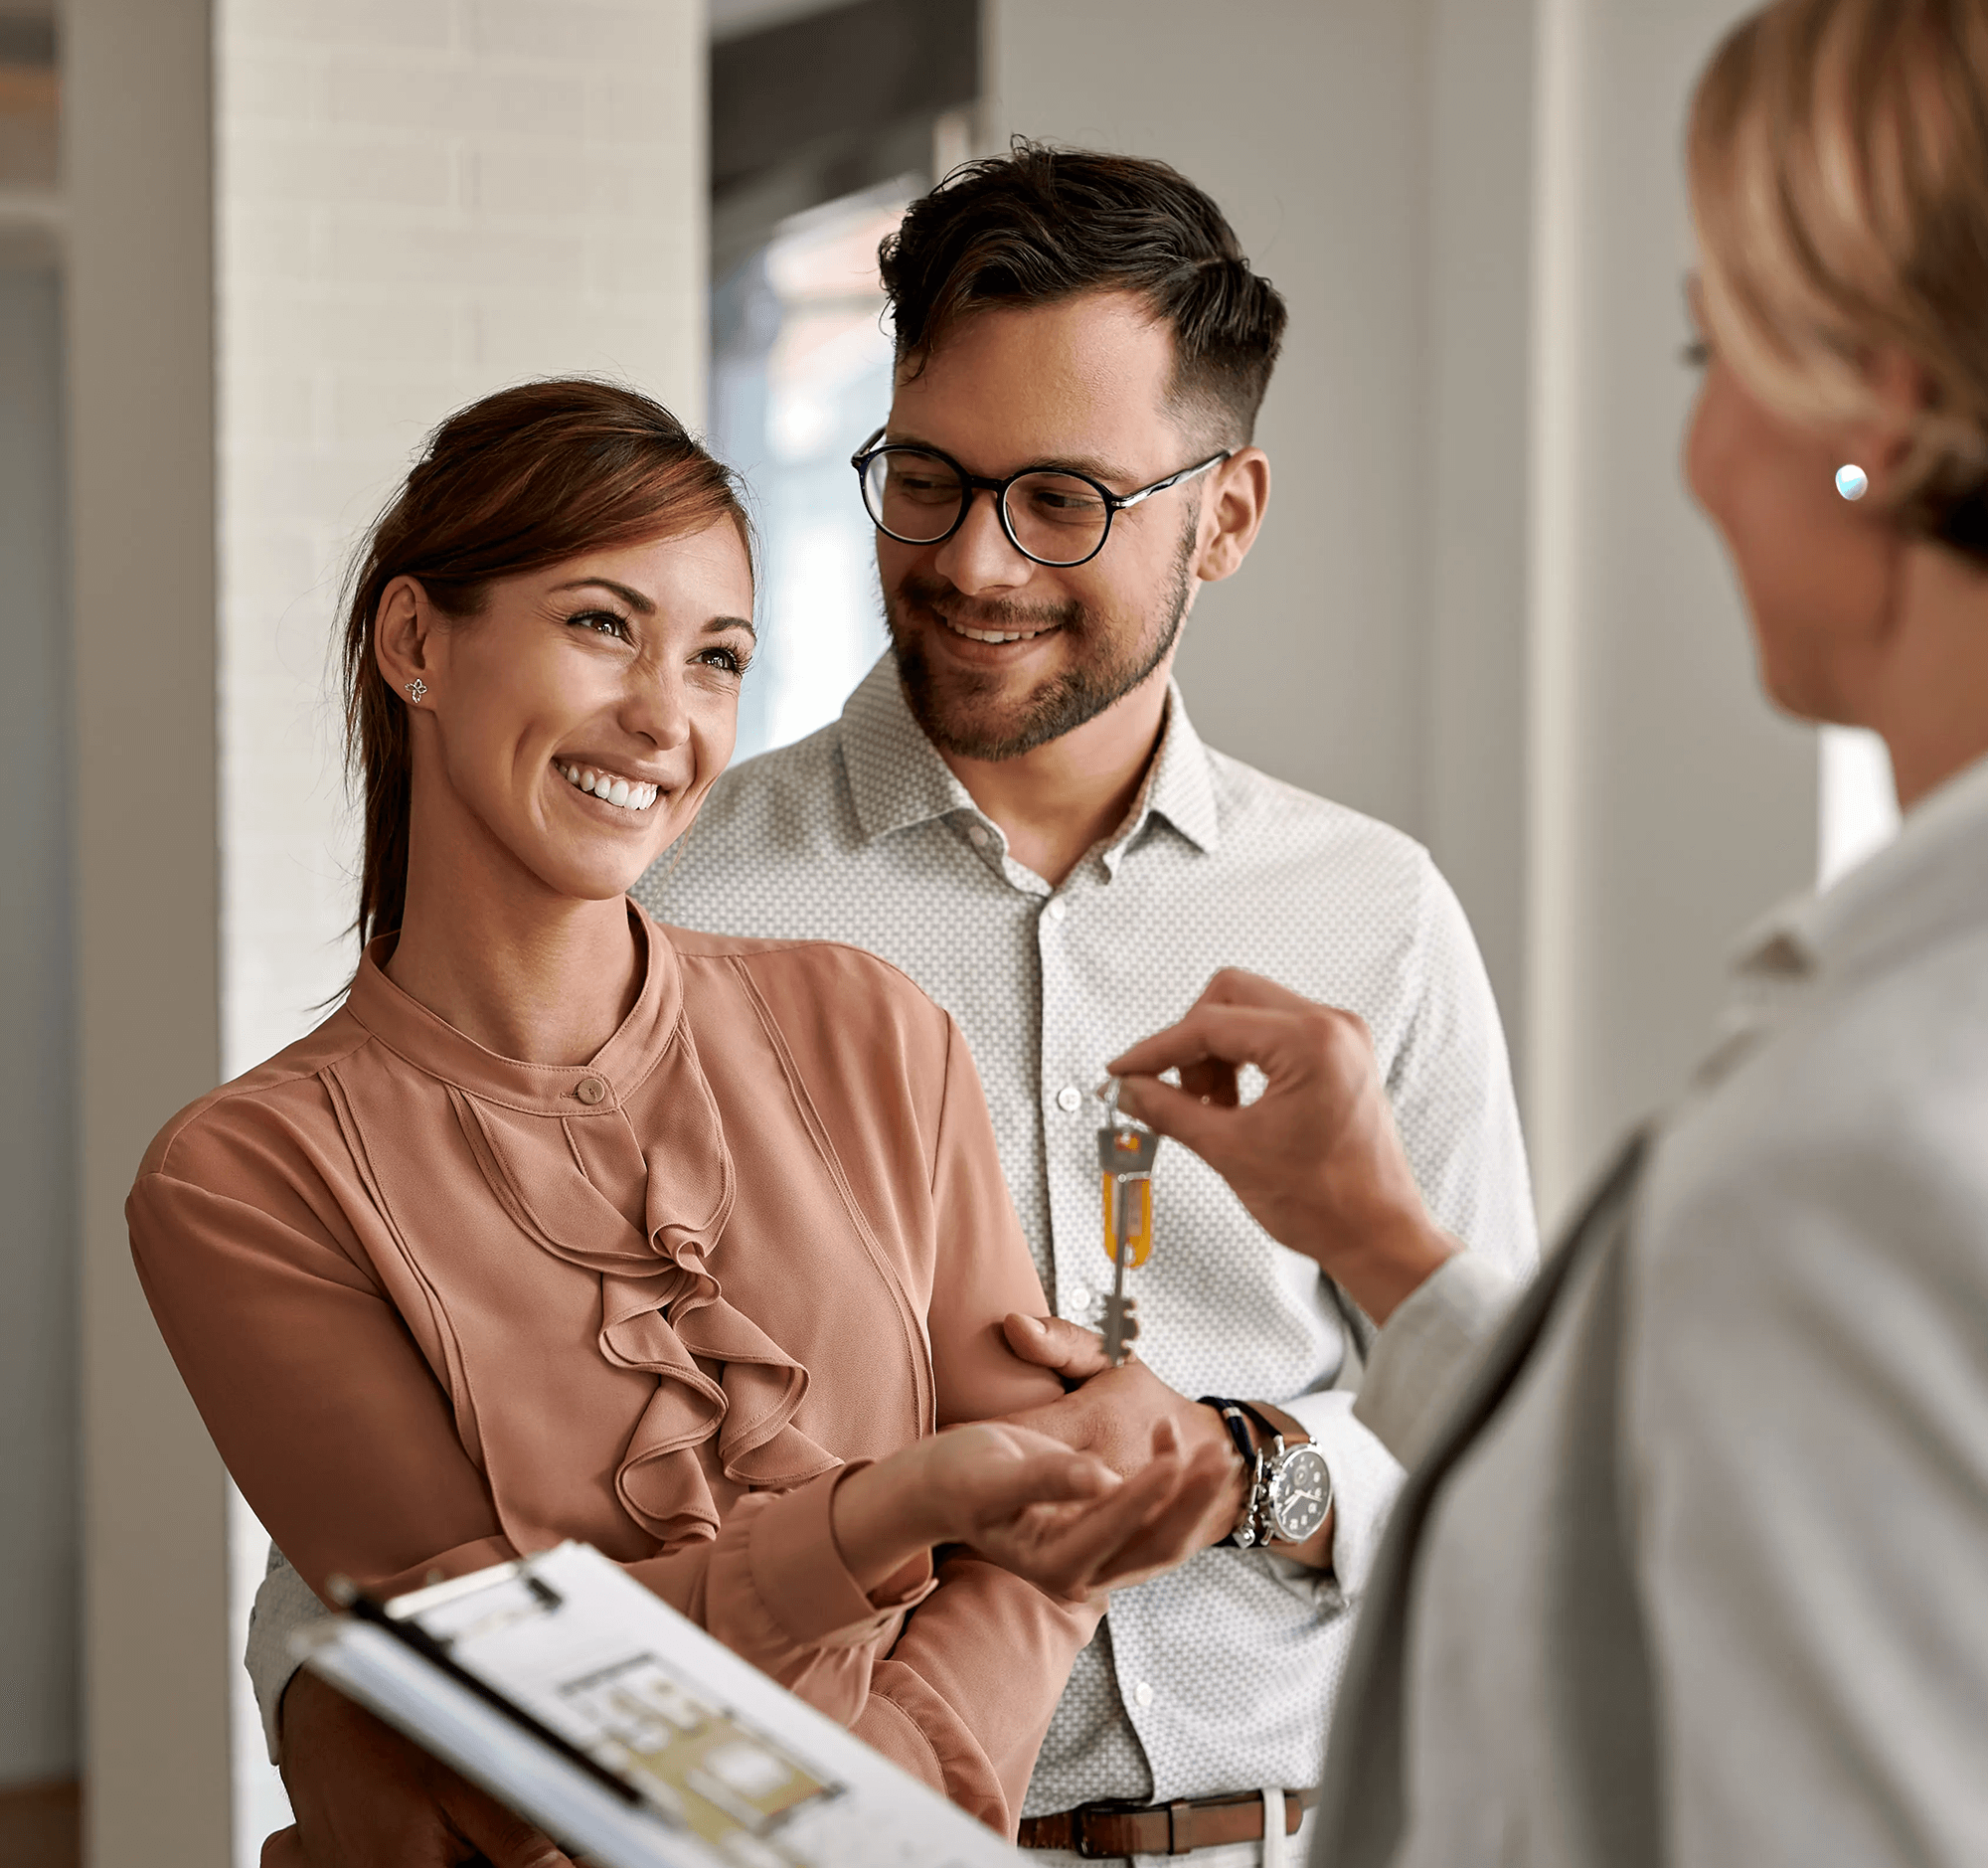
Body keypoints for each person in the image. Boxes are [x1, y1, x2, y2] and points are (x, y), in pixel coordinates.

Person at [250, 148, 1538, 1863]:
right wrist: (328, 1715)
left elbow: (1497, 1427)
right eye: (925, 481)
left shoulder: (1373, 916)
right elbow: (400, 1500)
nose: (977, 563)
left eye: (1064, 500)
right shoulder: (669, 905)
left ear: (1223, 516)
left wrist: (1251, 1470)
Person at [1107, 0, 1988, 1868]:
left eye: (1711, 350)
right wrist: (1384, 1249)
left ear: (1876, 415)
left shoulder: (1871, 1142)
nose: (1693, 452)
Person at [126, 381, 1237, 1855]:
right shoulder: (246, 1182)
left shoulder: (873, 1030)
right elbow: (495, 1691)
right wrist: (885, 1522)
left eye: (719, 659)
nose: (665, 718)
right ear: (415, 643)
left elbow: (1044, 1547)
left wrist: (882, 1811)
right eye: (602, 625)